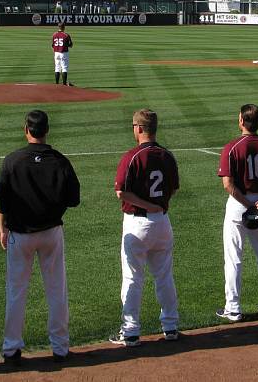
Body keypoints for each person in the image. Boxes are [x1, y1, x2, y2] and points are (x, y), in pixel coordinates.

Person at [0, 110, 81, 366]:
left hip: (19, 235)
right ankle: (60, 348)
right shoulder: (60, 161)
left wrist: (2, 229)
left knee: (16, 292)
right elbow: (73, 199)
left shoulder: (12, 161)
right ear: (46, 131)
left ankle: (11, 350)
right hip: (51, 233)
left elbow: (2, 202)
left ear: (26, 130)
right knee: (56, 290)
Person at [109, 109, 180, 347]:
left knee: (132, 278)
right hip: (162, 222)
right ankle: (170, 326)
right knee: (164, 276)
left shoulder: (132, 156)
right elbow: (174, 188)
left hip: (137, 223)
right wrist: (158, 205)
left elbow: (121, 192)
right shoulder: (167, 156)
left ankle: (130, 331)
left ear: (139, 128)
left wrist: (147, 204)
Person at [216, 104, 258, 321]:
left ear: (241, 121)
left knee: (234, 257)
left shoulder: (232, 147)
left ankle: (233, 308)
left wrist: (247, 203)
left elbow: (228, 184)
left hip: (239, 204)